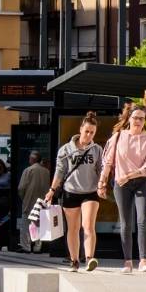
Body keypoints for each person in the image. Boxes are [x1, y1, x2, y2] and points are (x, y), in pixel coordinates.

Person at [98, 102, 146, 274]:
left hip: (141, 181)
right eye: (135, 117)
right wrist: (102, 182)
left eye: (141, 118)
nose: (138, 121)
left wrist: (129, 176)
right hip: (120, 183)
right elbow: (107, 161)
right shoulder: (117, 137)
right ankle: (127, 261)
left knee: (142, 220)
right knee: (125, 221)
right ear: (128, 118)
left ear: (145, 120)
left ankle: (144, 259)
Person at [46, 113, 104, 272]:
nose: (89, 135)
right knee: (73, 228)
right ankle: (74, 260)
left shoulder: (97, 149)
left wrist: (102, 185)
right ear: (80, 130)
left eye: (92, 132)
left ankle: (90, 258)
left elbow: (101, 169)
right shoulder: (65, 150)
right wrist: (52, 190)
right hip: (70, 191)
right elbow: (59, 171)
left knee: (88, 225)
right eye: (87, 131)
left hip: (90, 192)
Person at [17, 151, 49, 253]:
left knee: (26, 224)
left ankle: (26, 246)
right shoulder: (46, 172)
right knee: (40, 224)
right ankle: (37, 247)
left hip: (29, 201)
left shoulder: (28, 170)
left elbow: (21, 188)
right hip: (42, 202)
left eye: (30, 158)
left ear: (33, 159)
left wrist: (24, 198)